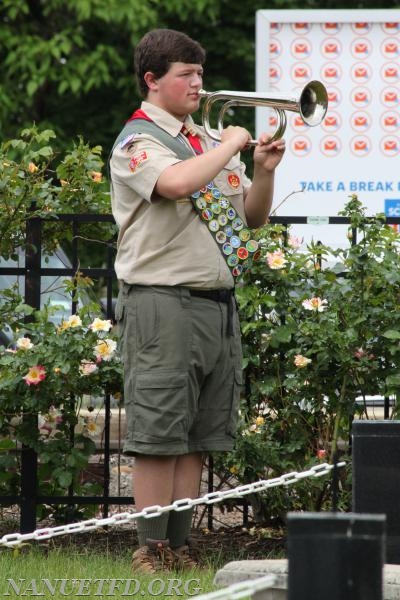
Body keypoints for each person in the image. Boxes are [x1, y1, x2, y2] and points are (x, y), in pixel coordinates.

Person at [110, 28, 285, 574]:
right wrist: (233, 143)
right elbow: (176, 185)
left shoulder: (203, 142)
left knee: (195, 434)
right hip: (162, 299)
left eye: (199, 74)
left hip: (215, 301)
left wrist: (262, 172)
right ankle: (149, 548)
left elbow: (250, 219)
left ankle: (179, 547)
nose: (197, 84)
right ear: (152, 80)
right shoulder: (138, 141)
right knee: (159, 431)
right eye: (185, 75)